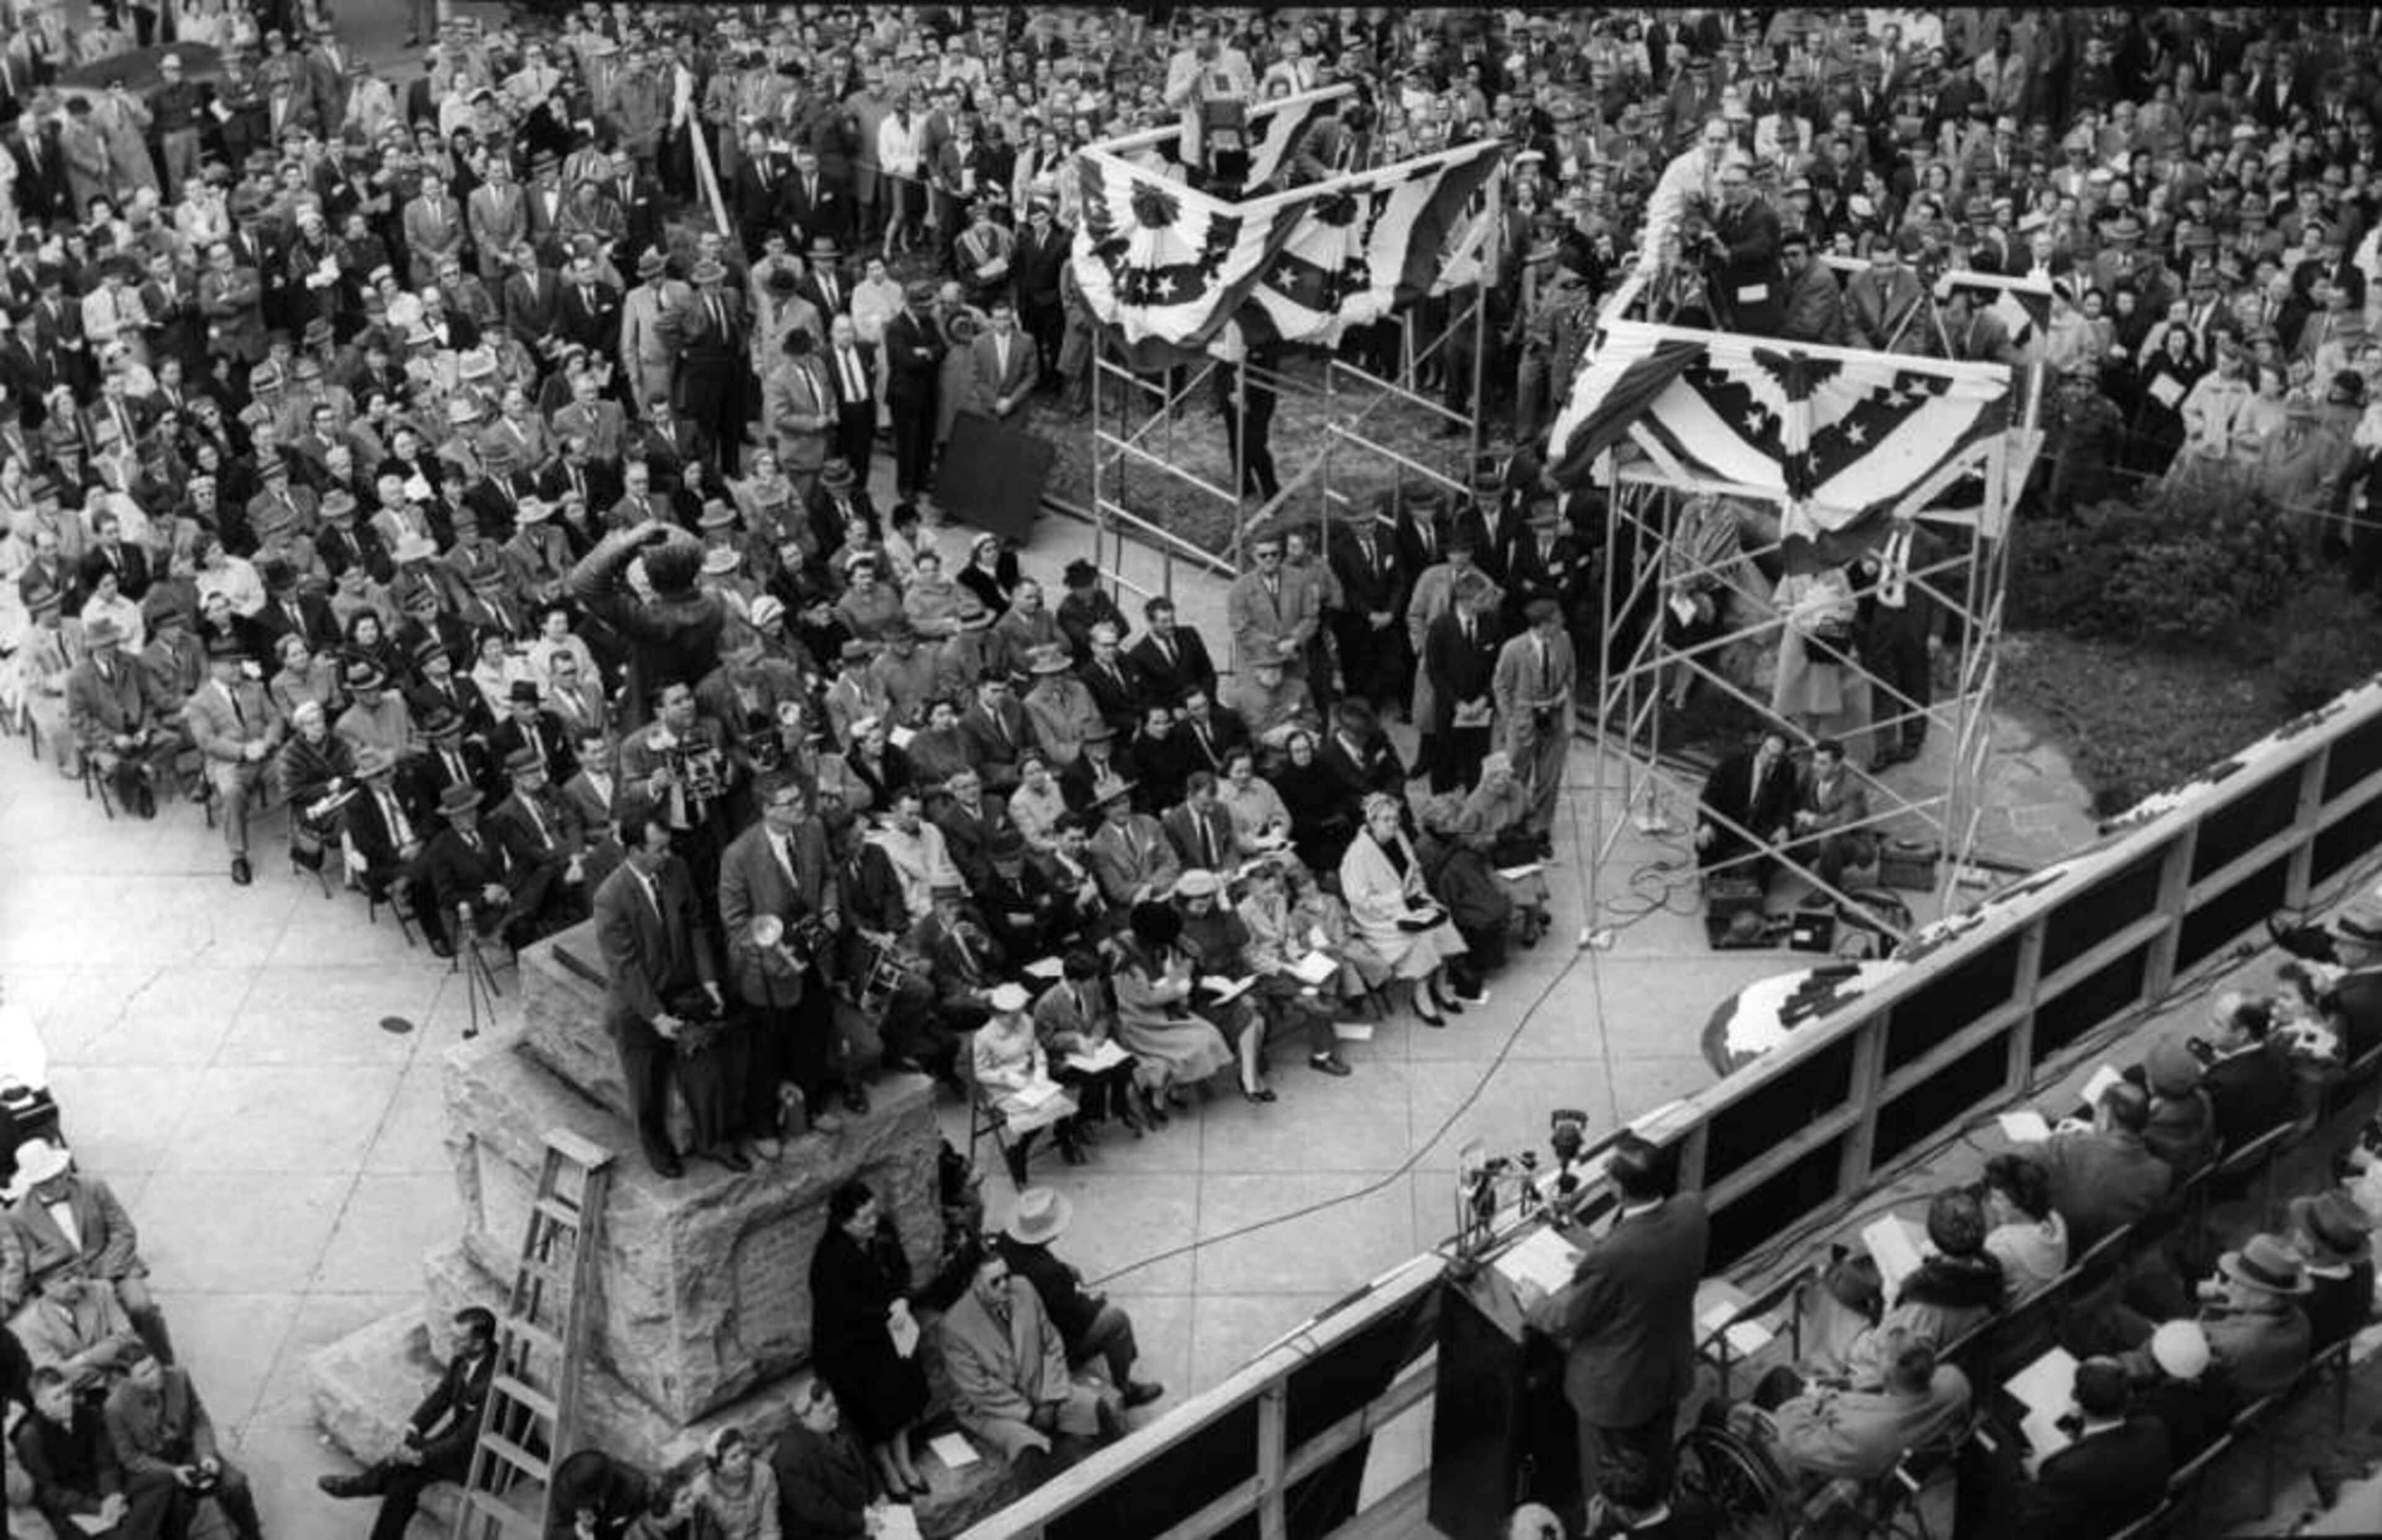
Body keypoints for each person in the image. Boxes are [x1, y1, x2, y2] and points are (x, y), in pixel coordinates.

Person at [1522, 1133, 1709, 1505]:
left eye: (1609, 1173)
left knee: (1608, 1488)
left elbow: (1565, 1321)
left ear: (1619, 1189)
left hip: (1616, 1392)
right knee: (1656, 1457)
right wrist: (1598, 1258)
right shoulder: (1692, 1210)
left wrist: (1536, 1302)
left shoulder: (1615, 1257)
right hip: (1668, 1371)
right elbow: (1650, 1263)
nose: (1604, 1175)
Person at [593, 812, 738, 1178]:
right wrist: (656, 1017)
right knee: (647, 1086)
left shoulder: (677, 870)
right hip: (638, 1003)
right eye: (658, 849)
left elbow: (695, 925)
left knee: (706, 1073)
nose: (667, 855)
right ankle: (657, 1150)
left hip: (684, 989)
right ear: (634, 851)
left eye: (668, 846)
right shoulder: (610, 897)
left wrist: (708, 980)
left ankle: (713, 1141)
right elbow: (625, 966)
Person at [936, 1247, 1122, 1485]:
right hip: (998, 1409)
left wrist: (1050, 1398)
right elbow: (978, 1389)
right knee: (1029, 1453)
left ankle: (1124, 1476)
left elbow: (1051, 1342)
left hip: (1042, 1387)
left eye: (1007, 1276)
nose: (1005, 1285)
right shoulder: (954, 1327)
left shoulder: (1023, 1287)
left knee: (1096, 1409)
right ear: (976, 1286)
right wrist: (1029, 1413)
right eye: (995, 1282)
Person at [317, 1307, 499, 1540]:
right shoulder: (465, 1356)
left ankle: (363, 1486)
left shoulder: (494, 1382)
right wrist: (413, 1428)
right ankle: (368, 1497)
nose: (451, 1343)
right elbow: (443, 1396)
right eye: (451, 1335)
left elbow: (466, 1442)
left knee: (406, 1476)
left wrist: (420, 1456)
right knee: (406, 1468)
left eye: (458, 1339)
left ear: (479, 1344)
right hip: (457, 1437)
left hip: (481, 1457)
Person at [807, 1180, 929, 1502]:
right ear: (845, 1223)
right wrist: (888, 1313)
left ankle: (904, 1461)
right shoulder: (830, 1257)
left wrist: (902, 1299)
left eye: (874, 1214)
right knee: (874, 1408)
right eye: (865, 1219)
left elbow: (901, 1269)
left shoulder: (882, 1231)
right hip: (850, 1345)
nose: (874, 1223)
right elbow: (845, 1309)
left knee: (903, 1391)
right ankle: (888, 1467)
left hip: (891, 1326)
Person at [996, 1187, 1165, 1412]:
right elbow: (1076, 1321)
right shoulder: (1050, 1275)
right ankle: (1125, 1389)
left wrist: (1064, 1271)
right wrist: (1095, 1302)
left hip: (1014, 1330)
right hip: (1043, 1348)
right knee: (1116, 1320)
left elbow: (1034, 1269)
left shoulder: (1005, 1240)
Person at [103, 1342, 262, 1540]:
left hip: (189, 1450)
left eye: (154, 1366)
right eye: (145, 1374)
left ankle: (252, 1535)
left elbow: (199, 1419)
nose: (156, 1375)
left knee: (236, 1485)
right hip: (158, 1468)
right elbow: (131, 1458)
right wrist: (172, 1472)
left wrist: (206, 1454)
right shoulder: (115, 1407)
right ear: (128, 1380)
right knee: (178, 1510)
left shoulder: (179, 1376)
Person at [1340, 792, 1471, 1026]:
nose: (1393, 824)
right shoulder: (1357, 855)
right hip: (1379, 920)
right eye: (1386, 819)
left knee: (1443, 920)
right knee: (1421, 937)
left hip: (1410, 904)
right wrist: (1398, 900)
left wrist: (1419, 897)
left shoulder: (1399, 838)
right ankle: (1421, 996)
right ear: (1371, 822)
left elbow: (1415, 873)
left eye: (1395, 819)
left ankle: (1440, 985)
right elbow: (1359, 900)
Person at [2010, 1357, 2171, 1533]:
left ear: (2077, 1404)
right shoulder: (2154, 1428)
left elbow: (2035, 1525)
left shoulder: (2065, 1471)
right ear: (2128, 1398)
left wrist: (2037, 1476)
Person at [14, 1364, 171, 1540]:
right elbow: (50, 1493)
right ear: (40, 1404)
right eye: (57, 1398)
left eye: (67, 1392)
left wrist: (112, 1495)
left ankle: (131, 1533)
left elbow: (106, 1461)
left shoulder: (88, 1414)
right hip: (73, 1505)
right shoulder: (31, 1436)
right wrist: (96, 1507)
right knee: (109, 1532)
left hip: (101, 1487)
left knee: (162, 1479)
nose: (67, 1401)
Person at [769, 1379, 874, 1539]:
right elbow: (820, 1509)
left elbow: (864, 1460)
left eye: (834, 1404)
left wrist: (877, 1492)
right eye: (826, 1409)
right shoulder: (792, 1458)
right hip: (827, 1531)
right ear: (805, 1418)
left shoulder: (833, 1425)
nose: (835, 1411)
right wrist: (861, 1524)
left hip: (858, 1513)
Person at [1695, 729, 1796, 886]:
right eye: (1767, 752)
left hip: (1759, 831)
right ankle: (1717, 868)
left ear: (1783, 757)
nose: (1770, 760)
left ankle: (1748, 870)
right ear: (1760, 747)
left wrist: (1784, 827)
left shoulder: (1787, 770)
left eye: (1776, 757)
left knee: (1749, 877)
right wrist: (1705, 824)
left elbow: (1787, 803)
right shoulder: (1733, 763)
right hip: (1728, 825)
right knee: (1709, 846)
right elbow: (1708, 797)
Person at [692, 1427, 780, 1540]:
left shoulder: (764, 1474)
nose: (744, 1459)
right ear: (719, 1467)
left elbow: (769, 1527)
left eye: (744, 1451)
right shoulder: (703, 1489)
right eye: (734, 1457)